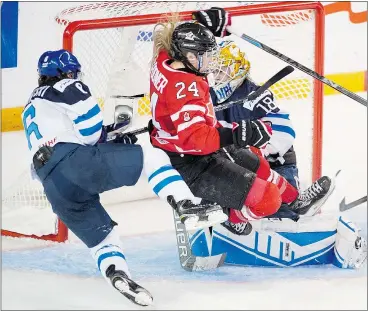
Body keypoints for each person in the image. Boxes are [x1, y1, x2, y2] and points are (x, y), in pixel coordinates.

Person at [22, 49, 227, 306]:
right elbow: (88, 131)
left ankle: (117, 274)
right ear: (64, 73)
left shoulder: (31, 104)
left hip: (53, 186)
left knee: (103, 239)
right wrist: (107, 139)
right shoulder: (66, 85)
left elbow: (65, 139)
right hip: (76, 163)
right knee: (151, 157)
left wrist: (110, 137)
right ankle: (187, 204)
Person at [147, 8, 334, 237]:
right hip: (192, 159)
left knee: (258, 165)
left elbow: (171, 38)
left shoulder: (164, 60)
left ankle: (296, 201)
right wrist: (237, 134)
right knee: (268, 200)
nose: (213, 69)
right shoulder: (188, 87)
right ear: (190, 57)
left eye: (221, 67)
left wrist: (204, 27)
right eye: (209, 60)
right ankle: (233, 219)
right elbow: (197, 139)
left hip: (205, 147)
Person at [209, 39, 336, 223]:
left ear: (237, 69)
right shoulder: (208, 96)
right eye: (214, 71)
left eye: (222, 70)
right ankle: (232, 222)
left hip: (276, 164)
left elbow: (285, 131)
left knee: (281, 214)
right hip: (236, 165)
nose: (217, 76)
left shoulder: (256, 95)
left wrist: (257, 147)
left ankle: (296, 205)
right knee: (215, 201)